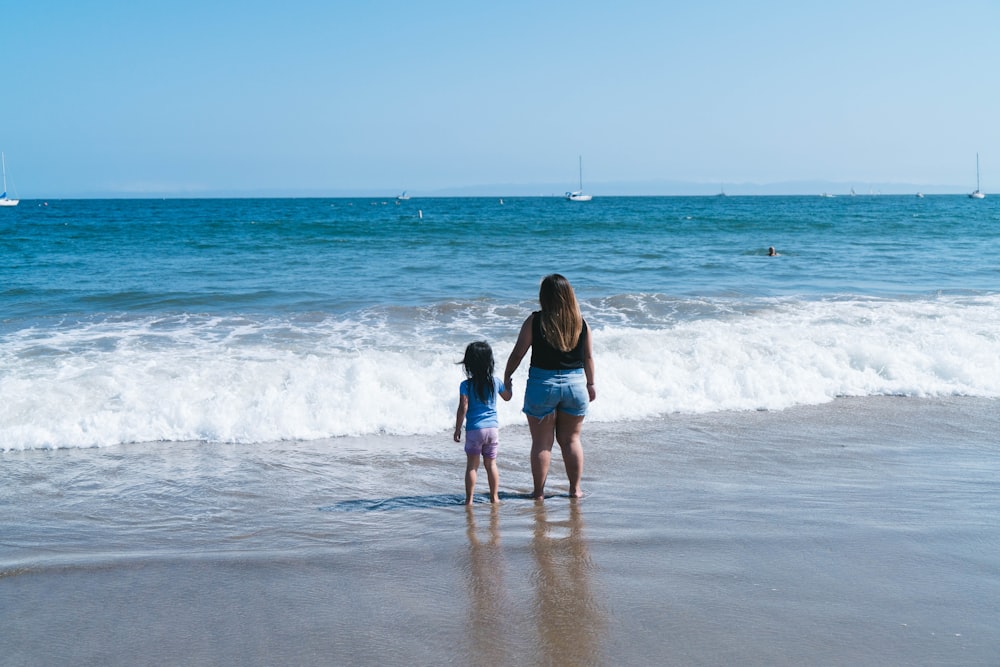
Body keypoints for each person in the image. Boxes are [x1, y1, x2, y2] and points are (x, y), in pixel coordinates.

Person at [504, 274, 596, 500]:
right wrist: (591, 383)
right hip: (575, 386)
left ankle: (539, 492)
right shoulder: (580, 322)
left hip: (542, 385)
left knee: (542, 442)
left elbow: (518, 353)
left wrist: (507, 375)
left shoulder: (535, 320)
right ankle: (575, 490)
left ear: (543, 296)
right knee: (571, 440)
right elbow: (588, 357)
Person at [454, 341, 512, 505]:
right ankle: (494, 498)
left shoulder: (466, 385)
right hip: (492, 429)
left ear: (469, 364)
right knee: (491, 464)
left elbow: (463, 407)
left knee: (472, 466)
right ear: (490, 362)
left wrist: (458, 428)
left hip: (475, 430)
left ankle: (469, 500)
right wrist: (509, 386)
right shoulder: (495, 382)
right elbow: (507, 397)